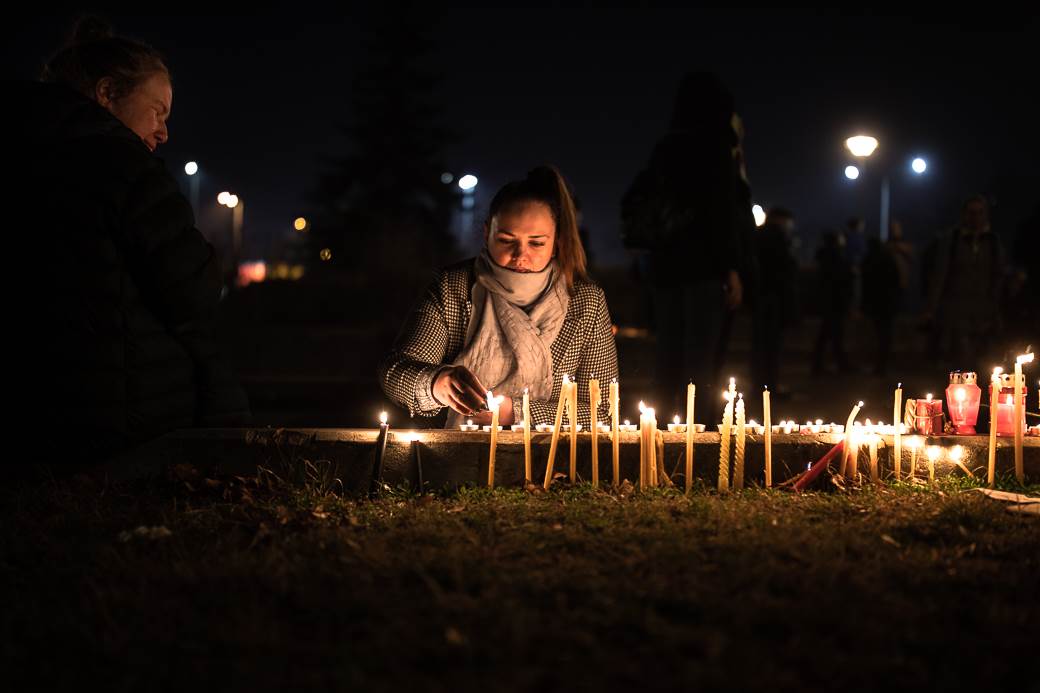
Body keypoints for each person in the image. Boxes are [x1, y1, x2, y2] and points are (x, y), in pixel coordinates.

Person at [5, 17, 249, 472]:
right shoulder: (123, 167)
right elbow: (192, 289)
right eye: (157, 111)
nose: (163, 132)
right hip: (121, 429)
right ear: (106, 93)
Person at [379, 166, 618, 429]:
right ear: (486, 234)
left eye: (536, 243)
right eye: (506, 240)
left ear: (557, 243)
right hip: (458, 451)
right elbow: (395, 372)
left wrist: (516, 412)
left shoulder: (585, 301)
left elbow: (602, 412)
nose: (520, 255)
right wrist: (437, 383)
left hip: (552, 461)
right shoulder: (454, 287)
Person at [621, 71, 744, 414]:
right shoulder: (717, 147)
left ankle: (660, 427)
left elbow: (636, 197)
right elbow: (724, 213)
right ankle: (698, 431)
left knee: (668, 352)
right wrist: (731, 268)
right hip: (704, 265)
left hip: (665, 265)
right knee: (701, 355)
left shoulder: (666, 147)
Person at [923, 194, 1005, 366]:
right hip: (957, 311)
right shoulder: (952, 241)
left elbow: (998, 275)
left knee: (986, 364)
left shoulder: (992, 241)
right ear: (964, 215)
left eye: (979, 213)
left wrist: (997, 307)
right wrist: (931, 309)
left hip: (985, 311)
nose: (975, 217)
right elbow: (940, 274)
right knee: (963, 362)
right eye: (971, 213)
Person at [751, 207, 797, 393]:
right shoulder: (776, 237)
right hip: (773, 298)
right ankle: (768, 386)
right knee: (771, 346)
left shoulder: (759, 235)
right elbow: (783, 268)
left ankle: (761, 385)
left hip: (761, 297)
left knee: (760, 344)